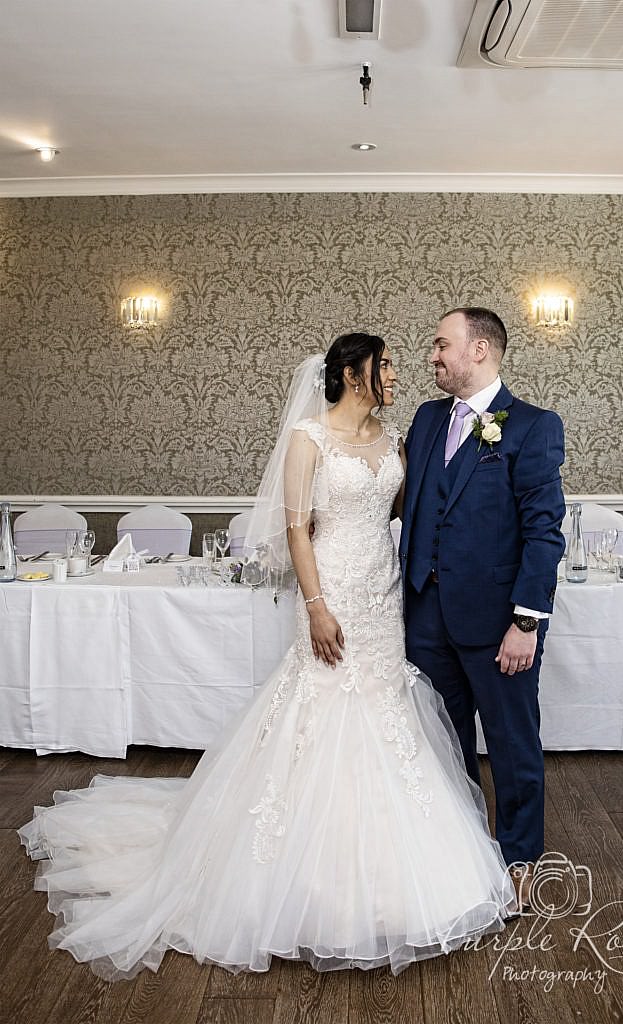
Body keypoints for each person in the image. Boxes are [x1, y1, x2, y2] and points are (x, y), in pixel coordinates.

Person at [18, 332, 515, 982]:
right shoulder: (308, 438)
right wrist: (314, 605)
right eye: (385, 364)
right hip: (330, 588)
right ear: (352, 373)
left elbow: (416, 510)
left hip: (382, 594)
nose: (397, 373)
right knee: (320, 710)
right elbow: (295, 530)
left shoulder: (397, 439)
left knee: (388, 711)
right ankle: (294, 879)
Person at [399, 307, 566, 909]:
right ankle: (459, 851)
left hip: (499, 623)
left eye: (442, 344)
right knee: (442, 743)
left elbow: (545, 532)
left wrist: (525, 622)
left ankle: (521, 859)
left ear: (480, 351)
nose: (433, 356)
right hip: (424, 616)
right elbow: (404, 501)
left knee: (512, 742)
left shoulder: (531, 426)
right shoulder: (424, 420)